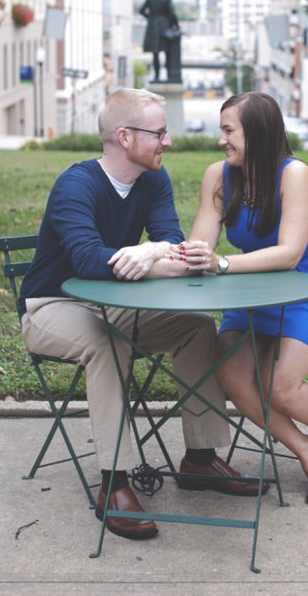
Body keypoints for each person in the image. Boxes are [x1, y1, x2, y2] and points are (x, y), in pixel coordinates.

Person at [19, 88, 263, 542]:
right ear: (125, 136)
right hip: (52, 305)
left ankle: (200, 458)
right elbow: (89, 260)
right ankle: (114, 482)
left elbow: (176, 248)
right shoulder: (76, 184)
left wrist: (149, 250)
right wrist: (150, 256)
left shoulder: (154, 179)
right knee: (105, 344)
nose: (168, 141)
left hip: (114, 303)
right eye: (160, 133)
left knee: (196, 328)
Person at [176, 92, 308, 505]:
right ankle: (305, 447)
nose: (221, 139)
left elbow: (290, 253)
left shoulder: (295, 175)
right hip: (253, 298)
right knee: (231, 371)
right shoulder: (218, 177)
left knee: (280, 385)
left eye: (228, 130)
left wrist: (221, 264)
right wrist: (194, 253)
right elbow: (202, 241)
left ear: (256, 132)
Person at [139, 0, 180, 82]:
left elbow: (142, 10)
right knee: (167, 52)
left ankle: (156, 76)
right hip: (164, 26)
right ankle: (169, 75)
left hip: (152, 27)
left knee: (155, 53)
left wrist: (150, 18)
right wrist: (175, 25)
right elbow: (172, 13)